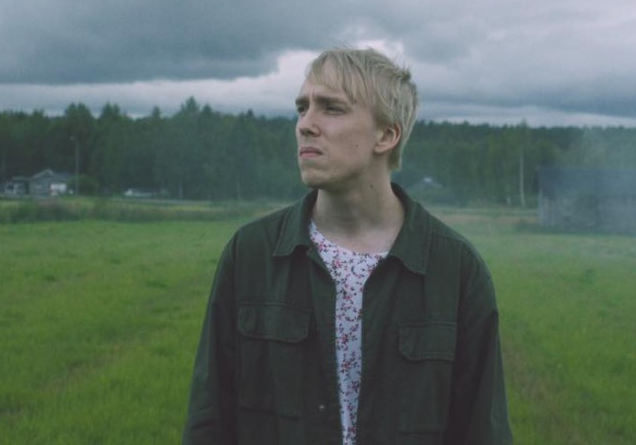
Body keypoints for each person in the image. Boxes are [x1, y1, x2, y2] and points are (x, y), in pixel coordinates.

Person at [182, 47, 512, 444]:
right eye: (302, 108)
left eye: (331, 108)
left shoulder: (456, 271)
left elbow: (483, 431)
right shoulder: (250, 254)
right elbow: (209, 419)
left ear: (386, 135)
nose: (306, 124)